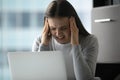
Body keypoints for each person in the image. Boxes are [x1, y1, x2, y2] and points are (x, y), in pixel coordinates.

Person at [32, 0, 99, 80]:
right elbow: (38, 76)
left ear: (73, 24)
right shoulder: (40, 42)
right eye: (53, 28)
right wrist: (44, 45)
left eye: (63, 28)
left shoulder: (90, 41)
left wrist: (75, 44)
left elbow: (84, 78)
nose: (58, 33)